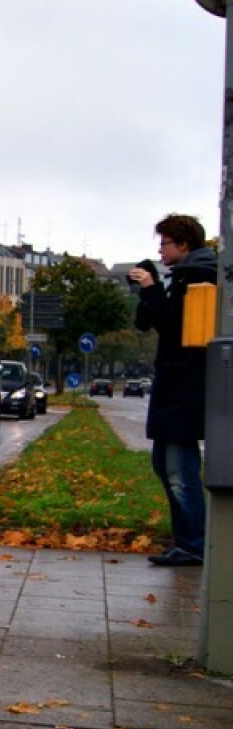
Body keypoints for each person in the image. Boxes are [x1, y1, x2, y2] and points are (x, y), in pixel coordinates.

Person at [128, 213, 216, 567]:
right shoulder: (182, 276)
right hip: (176, 388)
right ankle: (187, 540)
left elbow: (174, 327)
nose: (161, 250)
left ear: (184, 244)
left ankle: (194, 544)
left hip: (184, 388)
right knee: (165, 466)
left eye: (165, 243)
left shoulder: (198, 276)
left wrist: (151, 287)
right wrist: (149, 290)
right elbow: (150, 321)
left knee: (180, 471)